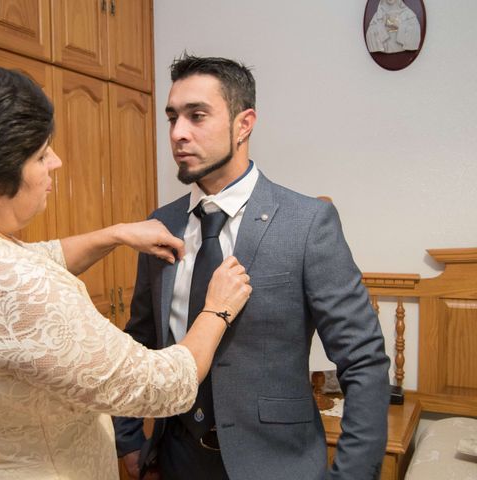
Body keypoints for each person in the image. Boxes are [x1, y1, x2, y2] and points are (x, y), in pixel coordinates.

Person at [0, 65, 252, 479]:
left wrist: (114, 234)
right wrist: (217, 310)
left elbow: (32, 259)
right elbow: (158, 386)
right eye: (41, 154)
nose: (56, 162)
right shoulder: (18, 287)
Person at [114, 55, 390, 480]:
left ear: (244, 124)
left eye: (197, 116)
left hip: (277, 465)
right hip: (175, 460)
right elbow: (140, 340)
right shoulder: (162, 225)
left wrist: (351, 475)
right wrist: (130, 437)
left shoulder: (307, 223)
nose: (178, 133)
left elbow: (364, 361)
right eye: (172, 118)